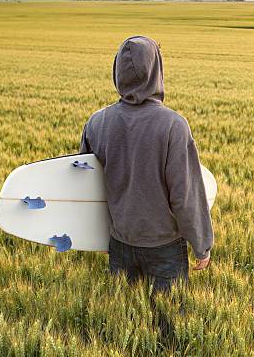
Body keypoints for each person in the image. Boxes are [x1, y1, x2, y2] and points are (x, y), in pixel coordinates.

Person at [79, 35, 214, 295]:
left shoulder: (97, 122)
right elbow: (185, 195)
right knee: (167, 325)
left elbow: (87, 187)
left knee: (124, 323)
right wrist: (201, 245)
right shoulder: (173, 125)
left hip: (118, 243)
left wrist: (99, 236)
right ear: (156, 71)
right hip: (164, 248)